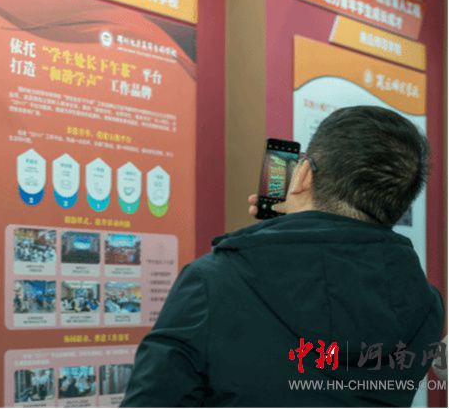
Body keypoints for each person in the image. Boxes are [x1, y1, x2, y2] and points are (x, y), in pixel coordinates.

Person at [121, 106, 445, 407]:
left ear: (302, 175)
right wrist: (290, 233)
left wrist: (282, 236)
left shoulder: (214, 282)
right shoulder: (426, 305)